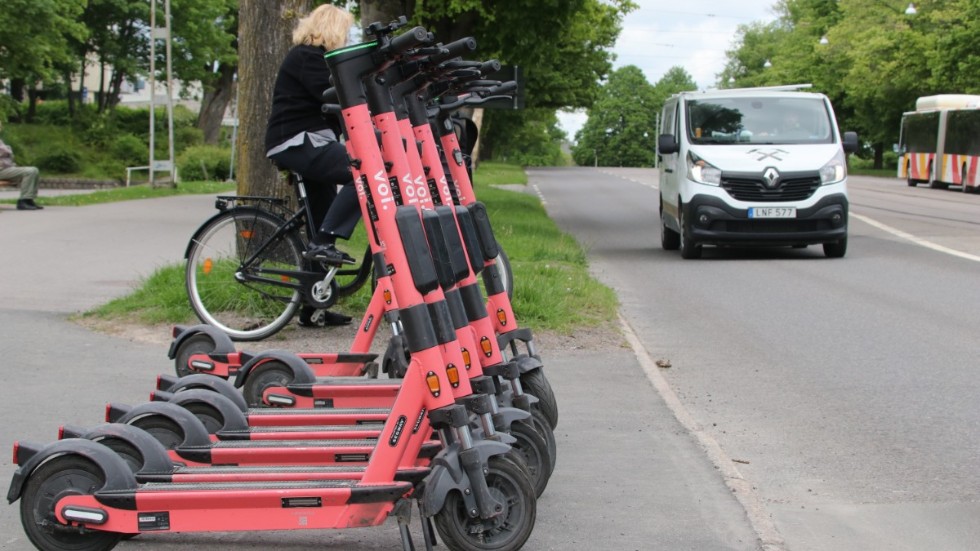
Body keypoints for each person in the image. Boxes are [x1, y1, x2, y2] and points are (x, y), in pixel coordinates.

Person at [264, 4, 361, 327]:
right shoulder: (309, 57)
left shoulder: (315, 60)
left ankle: (313, 305)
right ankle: (324, 242)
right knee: (360, 171)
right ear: (333, 29)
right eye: (345, 31)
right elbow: (333, 98)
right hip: (296, 141)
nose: (346, 38)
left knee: (322, 213)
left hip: (310, 141)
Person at [0, 124, 44, 211]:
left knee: (34, 170)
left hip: (6, 168)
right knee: (30, 171)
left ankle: (29, 199)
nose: (0, 127)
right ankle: (23, 201)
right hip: (1, 170)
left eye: (0, 126)